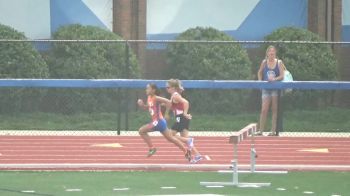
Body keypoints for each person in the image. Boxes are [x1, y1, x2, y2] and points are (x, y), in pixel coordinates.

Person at [137, 83, 191, 161]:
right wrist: (142, 105)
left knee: (141, 131)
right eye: (146, 88)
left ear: (153, 90)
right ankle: (186, 151)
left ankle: (152, 148)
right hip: (161, 123)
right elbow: (147, 107)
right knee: (171, 139)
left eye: (148, 88)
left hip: (158, 121)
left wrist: (166, 114)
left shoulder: (156, 98)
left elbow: (169, 102)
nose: (146, 90)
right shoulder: (149, 97)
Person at [165, 79, 203, 163]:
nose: (166, 89)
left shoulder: (175, 95)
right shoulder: (174, 95)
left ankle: (188, 141)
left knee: (169, 136)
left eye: (168, 87)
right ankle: (197, 155)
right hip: (183, 118)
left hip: (181, 117)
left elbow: (186, 102)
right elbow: (173, 105)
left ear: (173, 88)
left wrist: (185, 113)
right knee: (184, 138)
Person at [257, 45, 285, 136]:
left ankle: (273, 131)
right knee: (264, 109)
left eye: (273, 52)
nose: (272, 54)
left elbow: (282, 76)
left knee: (274, 109)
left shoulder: (279, 62)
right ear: (267, 53)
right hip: (266, 88)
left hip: (275, 88)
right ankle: (260, 131)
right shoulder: (264, 62)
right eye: (270, 52)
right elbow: (259, 72)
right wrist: (260, 81)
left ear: (275, 53)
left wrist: (274, 79)